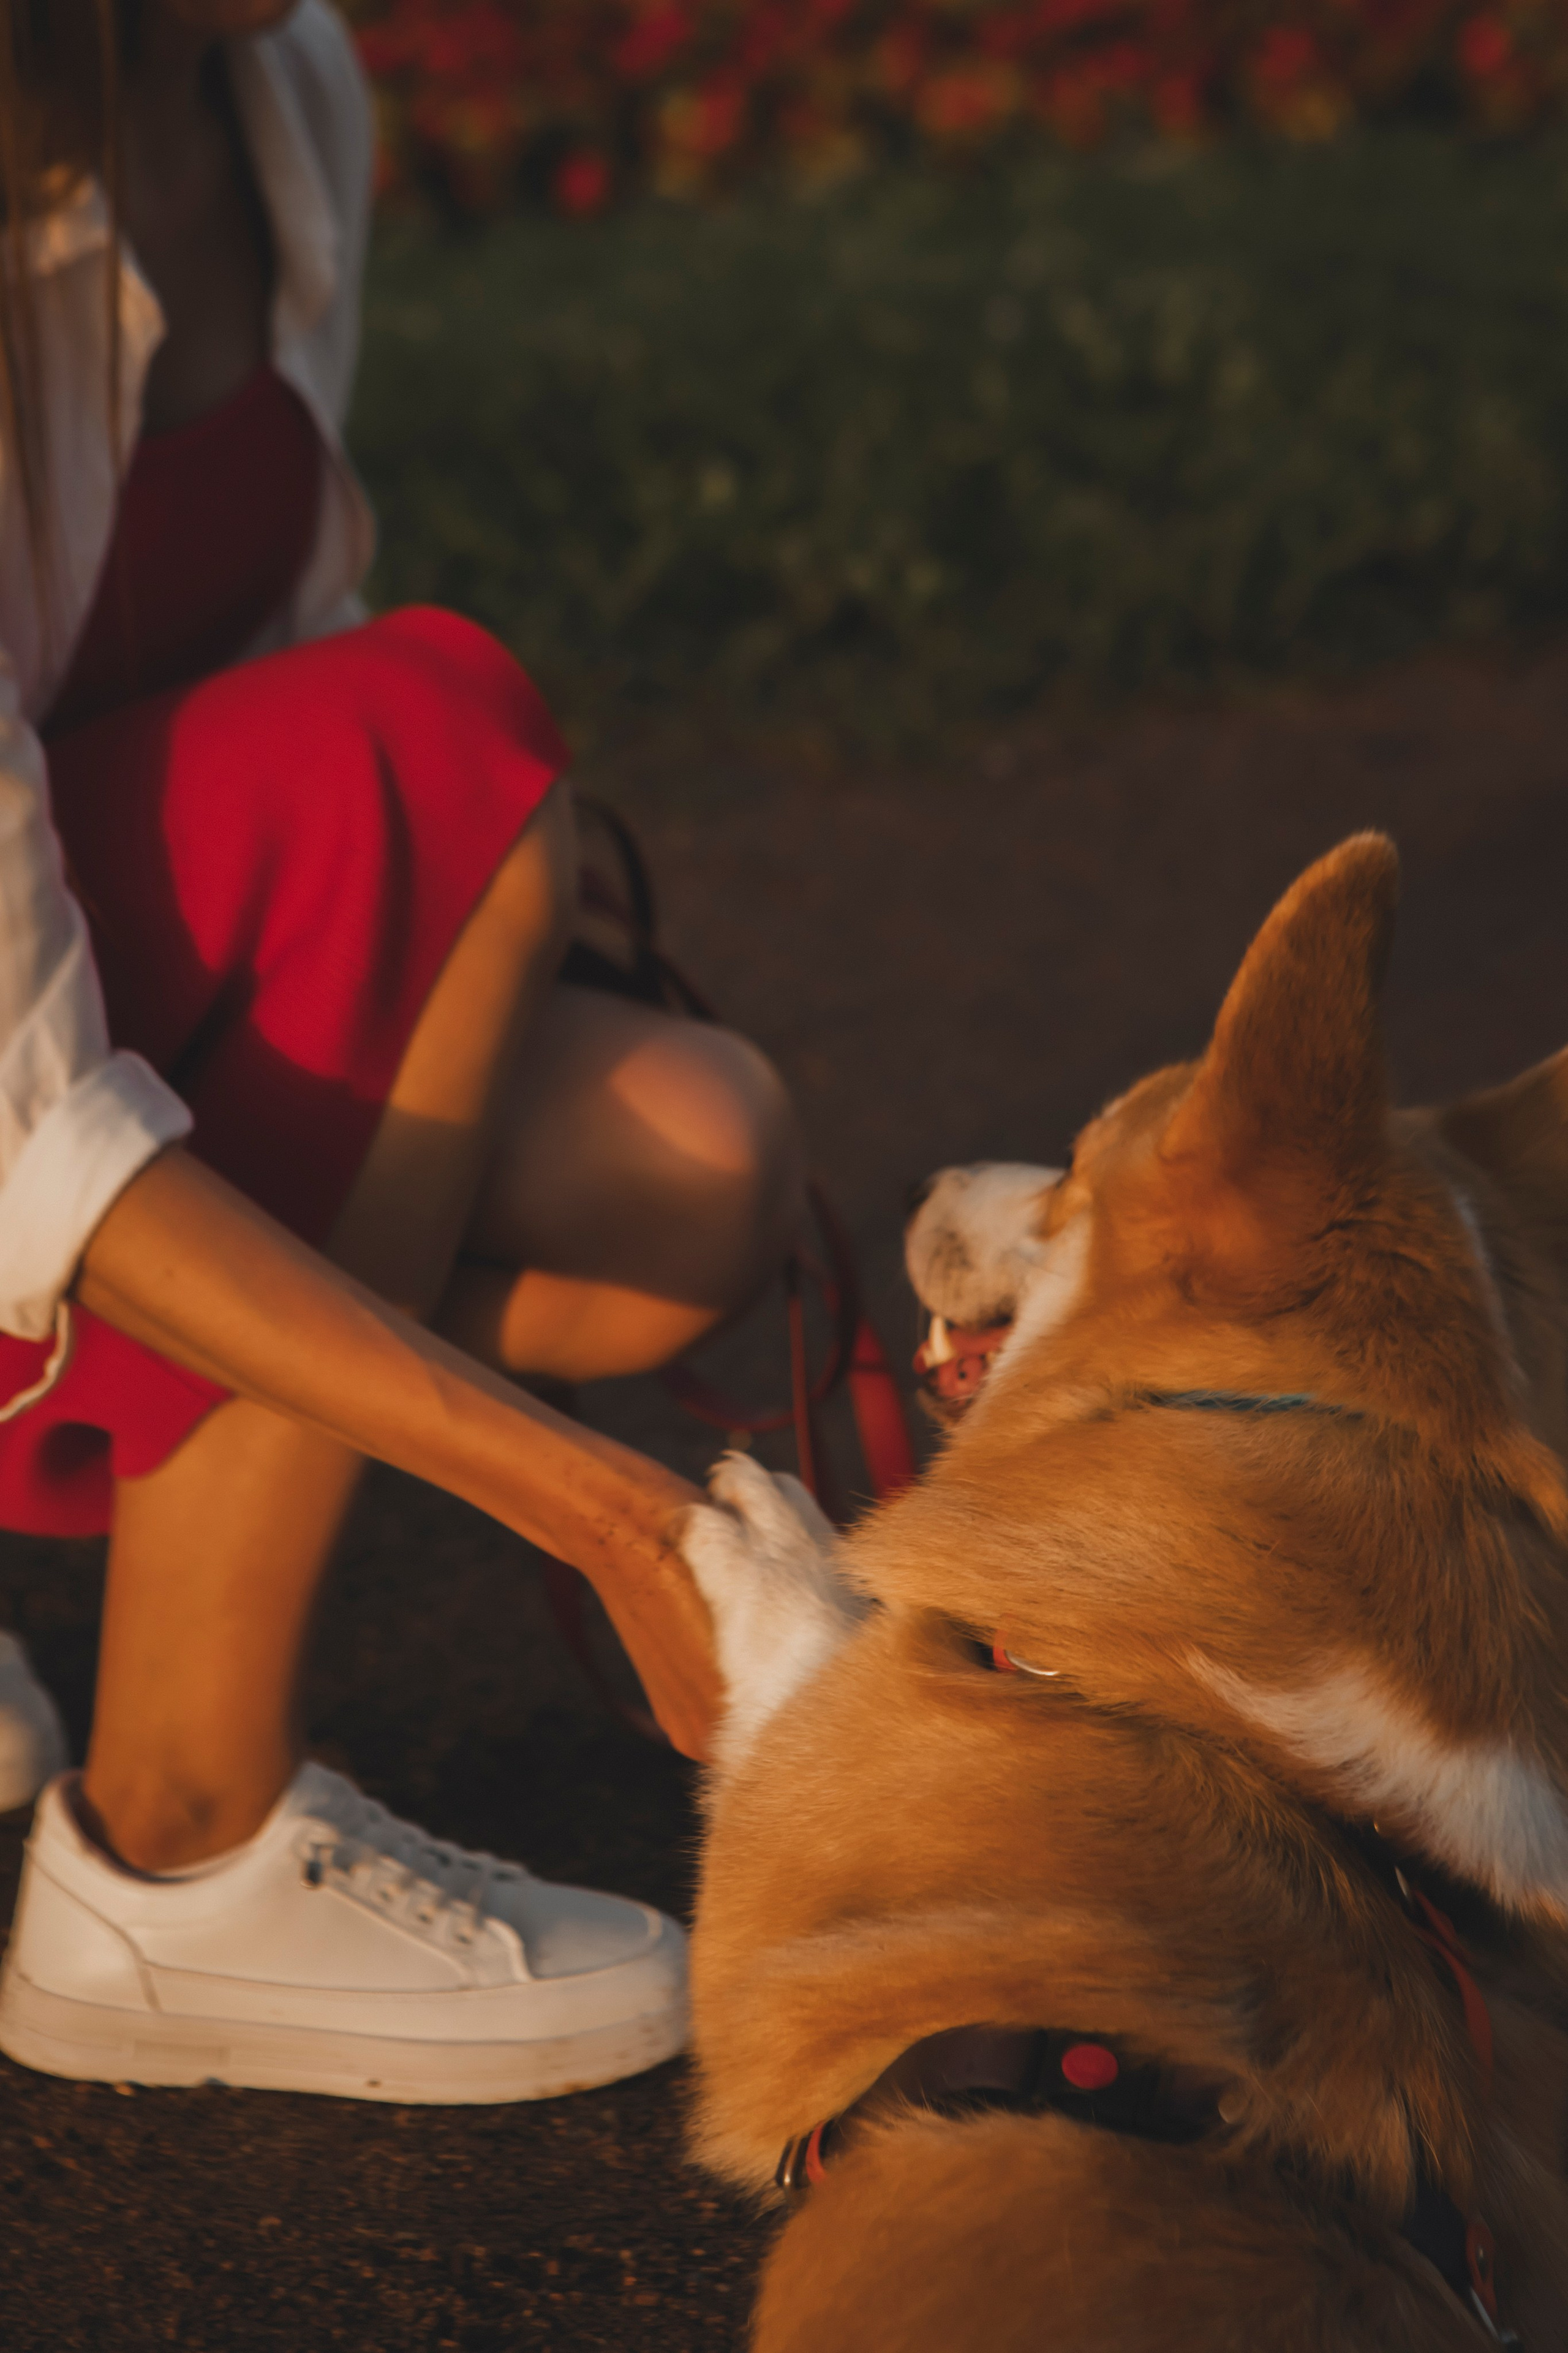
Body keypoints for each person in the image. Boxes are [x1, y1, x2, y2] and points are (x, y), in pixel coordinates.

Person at [0, 0, 801, 2104]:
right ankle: (171, 1849)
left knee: (687, 1158)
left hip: (52, 1015)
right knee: (428, 743)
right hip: (13, 1093)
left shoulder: (279, 85)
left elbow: (246, 698)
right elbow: (24, 1119)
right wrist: (609, 1518)